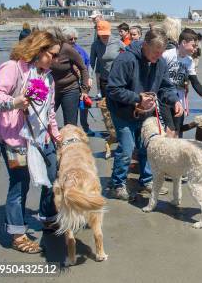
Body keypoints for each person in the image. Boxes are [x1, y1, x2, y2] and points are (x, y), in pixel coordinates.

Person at [0, 31, 62, 254]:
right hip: (15, 139)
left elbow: (49, 111)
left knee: (52, 175)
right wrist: (14, 102)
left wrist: (56, 134)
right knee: (19, 183)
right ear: (39, 49)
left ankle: (48, 217)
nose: (55, 60)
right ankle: (17, 234)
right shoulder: (13, 68)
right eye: (52, 54)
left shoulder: (47, 76)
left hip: (42, 137)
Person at [106, 28, 182, 200]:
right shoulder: (126, 59)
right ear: (145, 45)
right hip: (122, 111)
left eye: (161, 52)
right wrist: (137, 98)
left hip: (146, 112)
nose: (158, 56)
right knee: (127, 148)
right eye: (156, 52)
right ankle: (117, 184)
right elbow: (112, 89)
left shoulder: (160, 62)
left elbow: (165, 87)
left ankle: (147, 180)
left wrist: (174, 100)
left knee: (146, 146)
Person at [37, 23, 90, 127]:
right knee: (43, 120)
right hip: (49, 90)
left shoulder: (66, 48)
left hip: (69, 89)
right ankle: (46, 141)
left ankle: (71, 142)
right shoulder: (41, 49)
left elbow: (83, 68)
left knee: (70, 124)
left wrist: (84, 90)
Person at [63, 26, 94, 135]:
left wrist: (89, 77)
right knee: (71, 111)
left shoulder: (80, 50)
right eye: (70, 39)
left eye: (75, 38)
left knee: (84, 107)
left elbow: (87, 64)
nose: (73, 41)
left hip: (82, 83)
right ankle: (72, 130)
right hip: (69, 85)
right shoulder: (61, 50)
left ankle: (85, 128)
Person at [90, 20, 125, 97]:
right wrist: (90, 77)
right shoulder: (95, 45)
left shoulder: (117, 42)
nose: (105, 36)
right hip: (104, 80)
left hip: (118, 79)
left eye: (106, 34)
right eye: (102, 34)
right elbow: (91, 63)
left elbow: (129, 55)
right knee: (106, 105)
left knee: (118, 104)